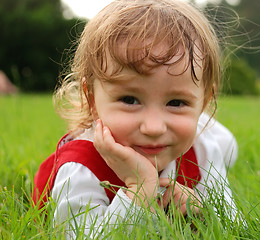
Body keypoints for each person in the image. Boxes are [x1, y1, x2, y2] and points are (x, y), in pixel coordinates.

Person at [32, 0, 239, 237]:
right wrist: (139, 190)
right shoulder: (81, 167)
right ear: (92, 101)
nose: (153, 127)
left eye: (176, 103)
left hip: (206, 134)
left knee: (225, 145)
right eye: (129, 100)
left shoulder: (202, 150)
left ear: (203, 103)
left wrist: (203, 212)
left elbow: (237, 227)